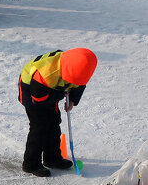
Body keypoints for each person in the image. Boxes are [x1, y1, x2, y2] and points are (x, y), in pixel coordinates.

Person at [18, 48, 97, 177]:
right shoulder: (47, 73)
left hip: (53, 89)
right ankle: (31, 164)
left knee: (54, 124)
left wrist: (72, 100)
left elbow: (80, 85)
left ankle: (52, 158)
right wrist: (61, 94)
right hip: (31, 91)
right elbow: (38, 98)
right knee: (39, 127)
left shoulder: (80, 69)